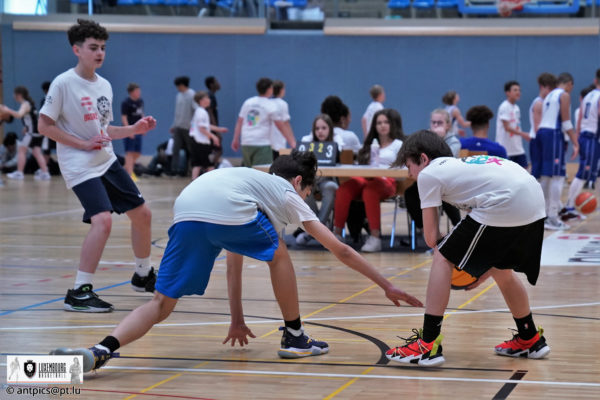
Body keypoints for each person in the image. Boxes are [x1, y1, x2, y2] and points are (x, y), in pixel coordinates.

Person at [49, 151, 423, 373]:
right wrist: (387, 284)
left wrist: (238, 319)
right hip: (221, 211)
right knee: (278, 251)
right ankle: (295, 337)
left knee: (161, 303)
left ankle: (101, 350)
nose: (305, 198)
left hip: (187, 209)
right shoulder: (284, 192)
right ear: (298, 182)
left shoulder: (247, 182)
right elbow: (340, 250)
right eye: (307, 191)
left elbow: (234, 260)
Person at [386, 130, 550, 367]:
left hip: (506, 201)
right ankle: (530, 337)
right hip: (534, 201)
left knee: (442, 255)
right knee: (501, 270)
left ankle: (428, 344)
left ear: (423, 158)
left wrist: (456, 258)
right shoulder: (463, 169)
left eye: (409, 166)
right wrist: (481, 267)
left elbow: (432, 239)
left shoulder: (429, 173)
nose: (409, 174)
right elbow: (482, 238)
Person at [37, 19, 158, 313]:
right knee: (102, 220)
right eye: (93, 47)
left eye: (103, 47)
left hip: (105, 160)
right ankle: (79, 292)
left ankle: (143, 275)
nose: (100, 52)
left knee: (143, 214)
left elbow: (104, 130)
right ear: (77, 50)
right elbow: (44, 126)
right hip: (79, 164)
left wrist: (134, 130)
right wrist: (81, 144)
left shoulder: (104, 85)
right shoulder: (63, 83)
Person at [333, 109, 405, 253]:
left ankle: (375, 237)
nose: (382, 125)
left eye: (386, 122)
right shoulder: (369, 144)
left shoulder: (398, 144)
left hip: (387, 181)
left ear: (392, 124)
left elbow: (403, 169)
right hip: (365, 177)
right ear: (374, 126)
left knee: (370, 191)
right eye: (379, 123)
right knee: (344, 189)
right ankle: (336, 235)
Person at [404, 110, 462, 243]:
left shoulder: (454, 142)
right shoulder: (424, 139)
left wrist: (439, 140)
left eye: (439, 123)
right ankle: (424, 228)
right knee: (410, 193)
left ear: (448, 125)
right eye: (433, 122)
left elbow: (447, 161)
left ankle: (458, 226)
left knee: (446, 194)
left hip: (446, 181)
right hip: (426, 179)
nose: (435, 125)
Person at [537, 72, 579, 230]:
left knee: (545, 177)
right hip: (553, 134)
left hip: (543, 133)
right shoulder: (564, 95)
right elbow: (566, 122)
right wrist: (576, 143)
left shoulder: (548, 95)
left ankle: (542, 216)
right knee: (558, 176)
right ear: (569, 84)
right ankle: (553, 217)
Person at [231, 77, 296, 167]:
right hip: (261, 143)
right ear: (269, 89)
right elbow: (281, 125)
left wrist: (235, 139)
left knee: (248, 171)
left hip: (246, 142)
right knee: (262, 172)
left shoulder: (248, 102)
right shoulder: (270, 105)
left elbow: (239, 121)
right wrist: (291, 142)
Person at [296, 114, 340, 245]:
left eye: (324, 128)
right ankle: (320, 230)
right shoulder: (307, 141)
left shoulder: (337, 140)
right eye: (317, 128)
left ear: (330, 129)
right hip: (311, 179)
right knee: (303, 187)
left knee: (331, 187)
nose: (320, 131)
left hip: (327, 180)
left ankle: (313, 232)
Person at [562, 76, 600, 220]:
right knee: (582, 174)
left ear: (595, 80)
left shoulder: (588, 96)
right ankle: (569, 207)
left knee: (587, 174)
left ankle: (571, 206)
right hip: (591, 137)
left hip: (585, 136)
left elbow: (578, 121)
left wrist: (576, 141)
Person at [2, 86, 51, 181]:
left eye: (14, 94)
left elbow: (19, 114)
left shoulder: (25, 104)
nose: (13, 96)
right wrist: (26, 127)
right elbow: (33, 119)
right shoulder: (29, 104)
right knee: (36, 152)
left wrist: (7, 110)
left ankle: (19, 173)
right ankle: (45, 173)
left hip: (32, 133)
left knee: (21, 150)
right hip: (37, 133)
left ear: (19, 95)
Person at [189, 91, 228, 180]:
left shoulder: (200, 111)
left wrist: (219, 129)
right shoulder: (201, 112)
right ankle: (211, 181)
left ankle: (194, 182)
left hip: (196, 141)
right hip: (200, 142)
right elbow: (201, 128)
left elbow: (206, 126)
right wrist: (214, 137)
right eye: (207, 98)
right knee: (209, 164)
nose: (209, 100)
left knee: (197, 164)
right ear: (201, 100)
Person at [495, 81, 531, 168]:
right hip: (506, 148)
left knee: (524, 170)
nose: (518, 92)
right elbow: (507, 127)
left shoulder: (516, 108)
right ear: (507, 93)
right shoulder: (504, 106)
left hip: (517, 147)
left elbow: (516, 125)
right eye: (515, 90)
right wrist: (523, 134)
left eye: (519, 90)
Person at [529, 73, 557, 180]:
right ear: (542, 87)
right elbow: (537, 127)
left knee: (543, 171)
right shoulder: (539, 103)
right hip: (537, 140)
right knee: (537, 170)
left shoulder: (545, 102)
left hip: (541, 140)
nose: (550, 92)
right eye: (549, 89)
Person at [170, 76, 197, 176]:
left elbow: (196, 110)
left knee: (191, 150)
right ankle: (174, 170)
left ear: (182, 85)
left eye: (178, 86)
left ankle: (191, 169)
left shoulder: (192, 94)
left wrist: (194, 126)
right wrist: (174, 125)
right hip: (178, 126)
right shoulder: (179, 95)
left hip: (188, 128)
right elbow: (177, 112)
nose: (178, 88)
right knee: (175, 149)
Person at [121, 82, 145, 182]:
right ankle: (129, 175)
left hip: (138, 130)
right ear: (131, 92)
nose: (139, 93)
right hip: (130, 130)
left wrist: (145, 126)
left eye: (139, 91)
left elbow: (142, 114)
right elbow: (124, 117)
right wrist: (128, 131)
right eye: (137, 91)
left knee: (138, 152)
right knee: (130, 152)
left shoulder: (140, 101)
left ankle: (124, 169)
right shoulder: (126, 103)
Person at [269, 80, 292, 160]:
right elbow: (286, 123)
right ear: (281, 90)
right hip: (279, 142)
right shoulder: (283, 104)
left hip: (268, 143)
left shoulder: (268, 103)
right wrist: (292, 141)